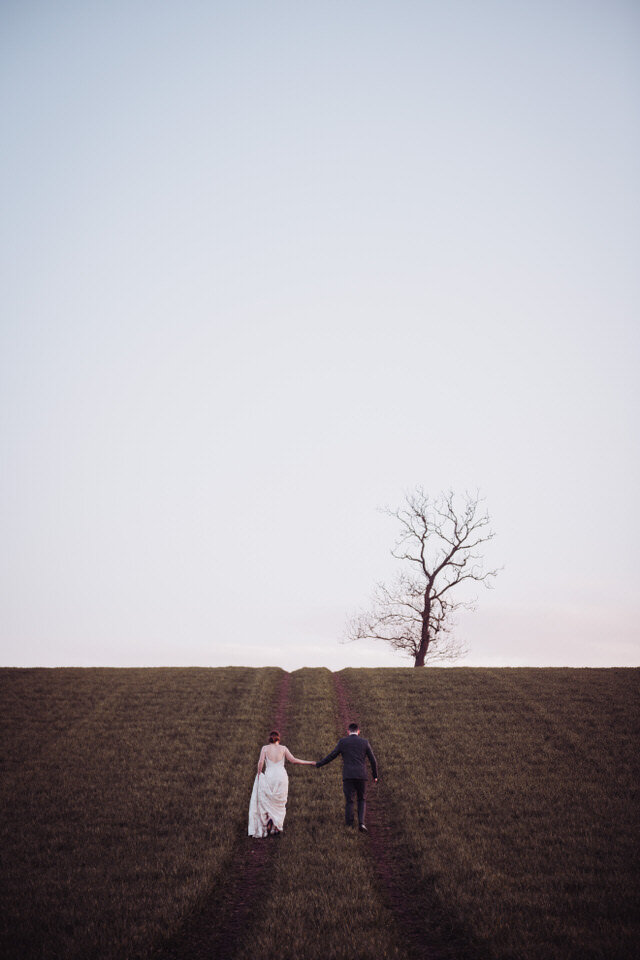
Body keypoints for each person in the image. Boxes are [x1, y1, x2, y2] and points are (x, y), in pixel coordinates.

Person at [248, 730, 315, 838]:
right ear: (278, 739)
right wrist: (309, 762)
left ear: (269, 739)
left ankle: (269, 820)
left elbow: (260, 762)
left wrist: (259, 774)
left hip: (270, 775)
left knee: (269, 800)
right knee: (280, 802)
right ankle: (277, 825)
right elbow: (293, 760)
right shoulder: (283, 748)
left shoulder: (265, 748)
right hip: (281, 776)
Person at [315, 722, 378, 832]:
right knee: (361, 799)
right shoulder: (365, 742)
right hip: (361, 775)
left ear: (348, 731)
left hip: (348, 775)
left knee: (349, 800)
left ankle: (349, 825)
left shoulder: (343, 742)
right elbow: (373, 760)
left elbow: (332, 755)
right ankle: (361, 823)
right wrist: (375, 775)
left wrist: (319, 764)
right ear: (358, 731)